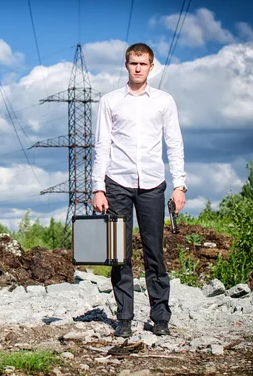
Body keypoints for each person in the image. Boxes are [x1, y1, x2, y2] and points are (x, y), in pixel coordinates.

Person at [92, 42, 187, 338]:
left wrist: (180, 184)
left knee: (154, 252)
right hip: (117, 183)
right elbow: (101, 145)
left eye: (143, 64)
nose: (137, 68)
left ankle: (160, 316)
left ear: (151, 67)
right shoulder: (109, 101)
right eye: (133, 63)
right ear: (126, 65)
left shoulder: (163, 101)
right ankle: (124, 317)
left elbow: (174, 143)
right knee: (119, 252)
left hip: (152, 186)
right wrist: (98, 188)